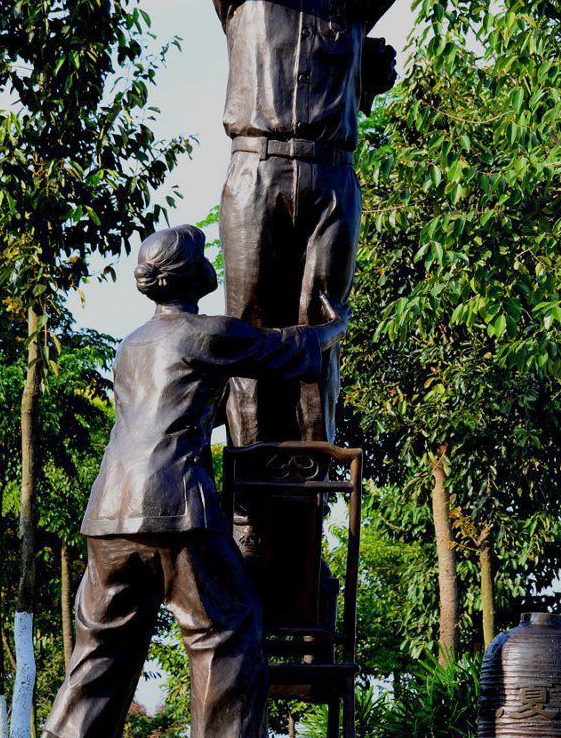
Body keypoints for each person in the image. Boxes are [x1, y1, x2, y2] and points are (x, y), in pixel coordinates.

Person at [207, 0, 434, 472]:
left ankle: (309, 483)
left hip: (332, 179)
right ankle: (251, 482)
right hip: (257, 171)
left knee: (320, 328)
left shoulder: (347, 1)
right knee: (250, 330)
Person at [42, 224, 344, 738]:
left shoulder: (132, 345)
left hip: (109, 512)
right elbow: (289, 351)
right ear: (190, 274)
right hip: (175, 506)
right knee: (226, 634)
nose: (211, 263)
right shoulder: (208, 333)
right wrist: (336, 325)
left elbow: (166, 410)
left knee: (102, 648)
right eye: (204, 255)